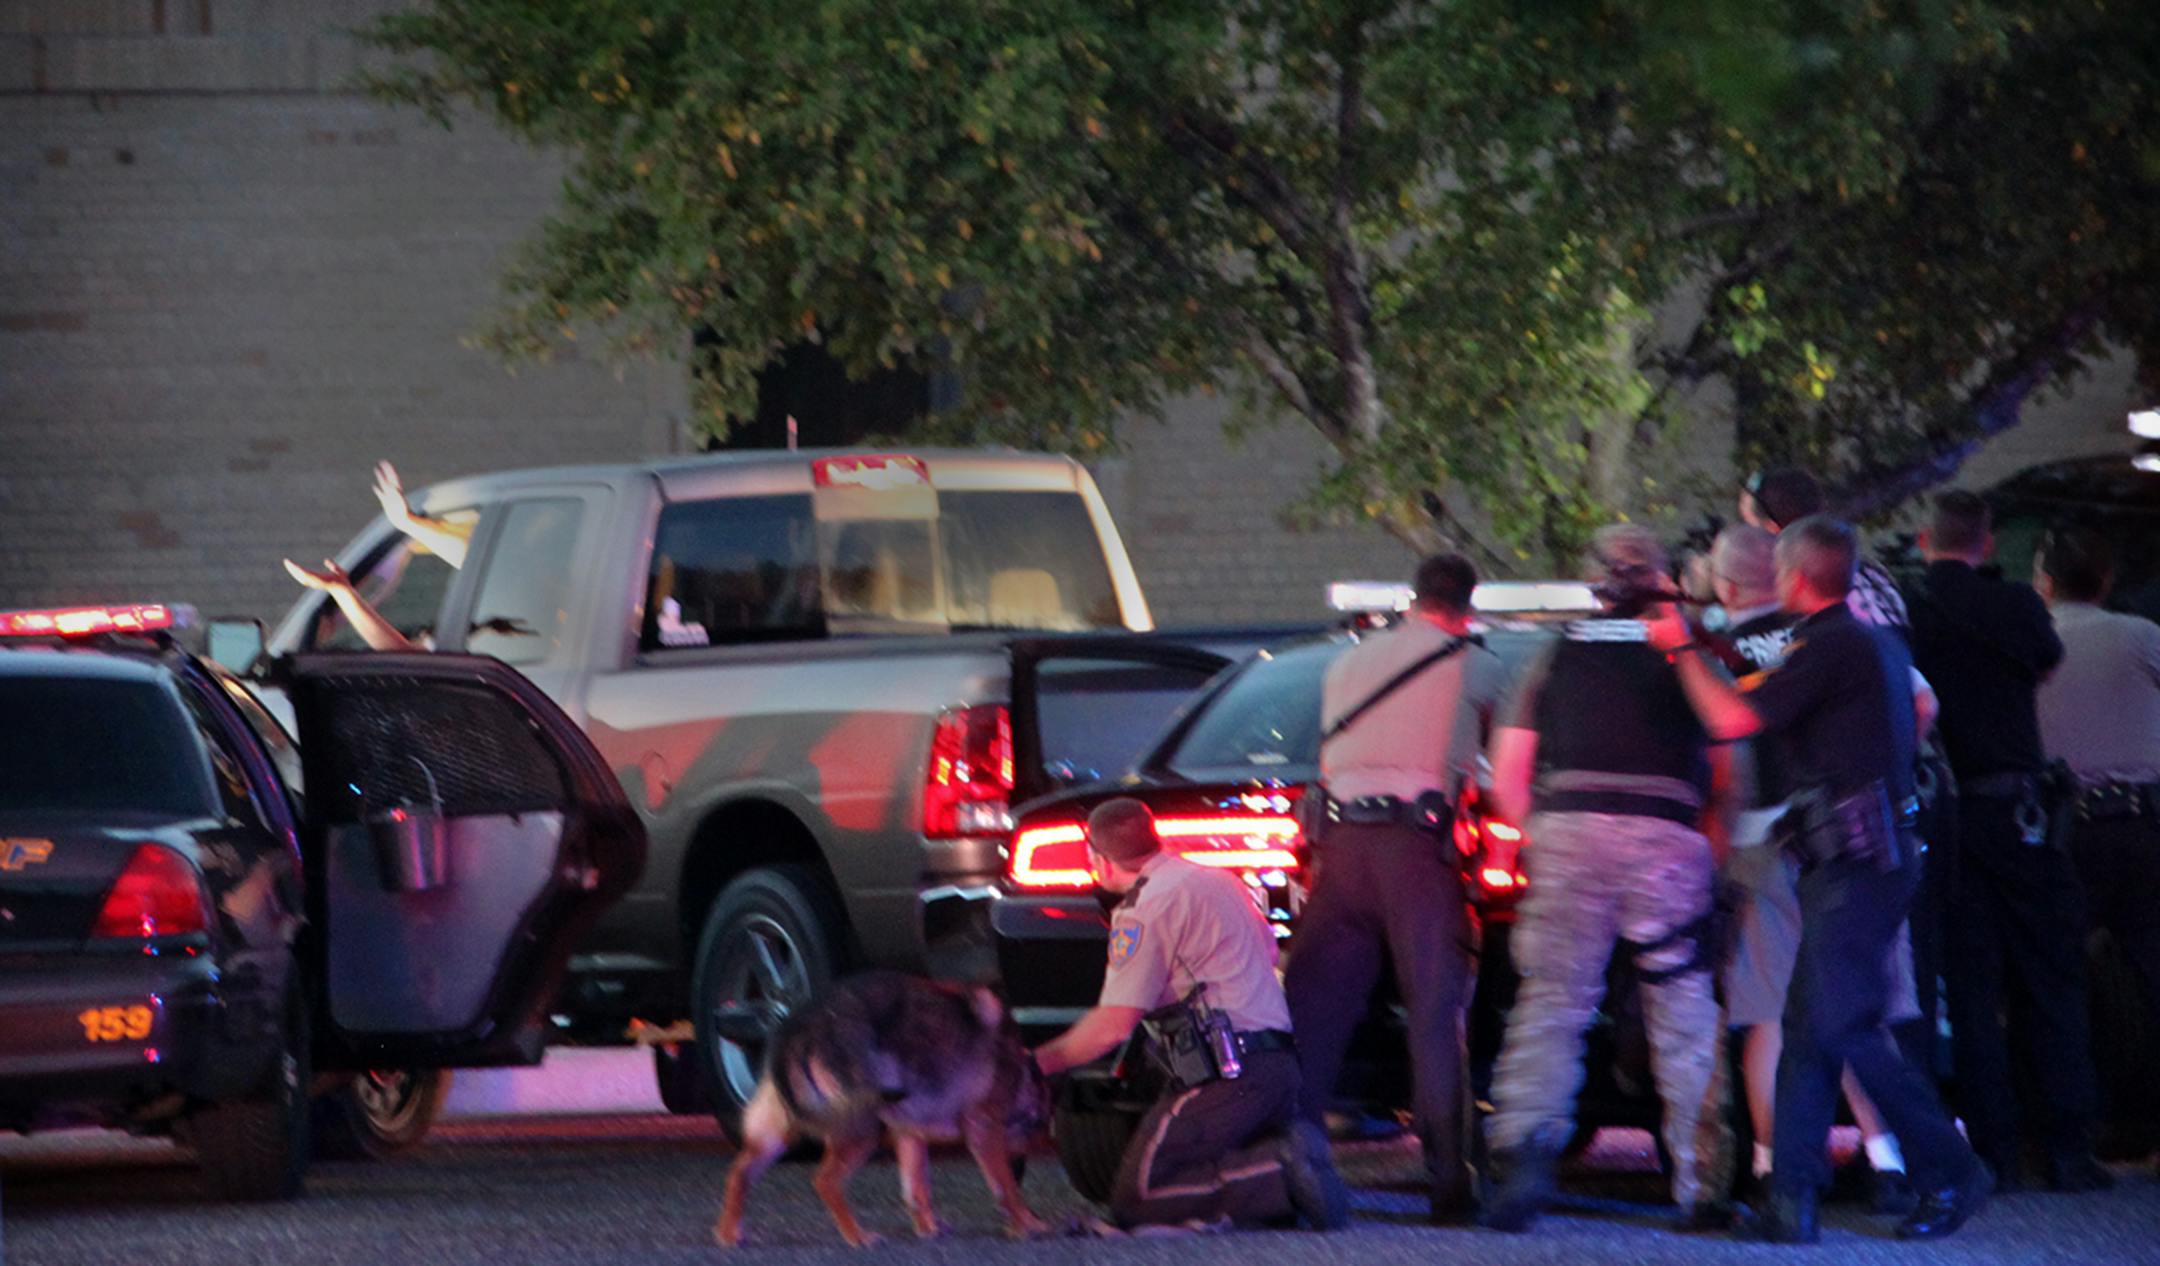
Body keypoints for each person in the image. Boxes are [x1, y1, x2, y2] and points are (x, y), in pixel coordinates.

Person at [1650, 515, 1990, 1242]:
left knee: (1845, 1027)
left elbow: (1734, 720)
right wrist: (1711, 643)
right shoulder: (1853, 641)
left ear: (1795, 575)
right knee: (1815, 1027)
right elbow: (1768, 679)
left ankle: (1954, 1168)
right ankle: (1791, 1205)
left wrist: (1680, 648)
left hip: (1858, 862)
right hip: (1850, 856)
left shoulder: (1831, 645)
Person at [1479, 524, 1733, 1230]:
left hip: (1569, 834)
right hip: (1668, 839)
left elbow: (1508, 779)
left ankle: (1524, 1160)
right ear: (1663, 579)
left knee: (1552, 1005)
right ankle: (1701, 1184)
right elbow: (1726, 771)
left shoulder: (1551, 658)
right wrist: (1706, 849)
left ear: (1593, 584)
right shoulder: (1692, 657)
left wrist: (1545, 832)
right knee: (1684, 1015)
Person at [1284, 553, 1507, 1222]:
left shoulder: (1346, 661)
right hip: (1416, 853)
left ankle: (1288, 1167)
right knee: (1435, 1019)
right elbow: (1502, 766)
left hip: (1339, 851)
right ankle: (1449, 1184)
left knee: (1313, 1016)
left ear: (1414, 599)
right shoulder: (1477, 663)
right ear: (1466, 607)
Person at [1706, 525, 1922, 1215]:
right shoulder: (1853, 636)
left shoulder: (1726, 649)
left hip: (1768, 841)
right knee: (1857, 1005)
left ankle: (1774, 1172)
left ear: (1725, 585)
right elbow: (1923, 701)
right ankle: (1884, 1158)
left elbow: (1726, 740)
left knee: (1773, 1014)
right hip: (1862, 836)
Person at [1906, 491, 2110, 1193]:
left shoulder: (1910, 611)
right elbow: (2045, 663)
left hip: (1953, 819)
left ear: (1927, 538)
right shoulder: (2018, 607)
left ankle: (1991, 1148)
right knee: (2051, 978)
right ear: (1987, 544)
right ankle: (2066, 1146)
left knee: (1970, 987)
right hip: (2023, 817)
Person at [1032, 799, 1351, 1232]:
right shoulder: (1218, 880)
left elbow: (1114, 1024)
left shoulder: (1142, 908)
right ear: (1154, 836)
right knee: (1194, 1163)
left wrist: (1036, 1064)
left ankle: (1279, 1171)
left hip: (1226, 1075)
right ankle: (1273, 1167)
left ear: (1100, 861)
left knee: (1136, 1199)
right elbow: (1270, 951)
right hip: (1279, 1068)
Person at [2035, 525, 2160, 1112]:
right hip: (2144, 824)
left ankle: (2076, 1130)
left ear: (2044, 582)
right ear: (2107, 580)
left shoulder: (2033, 643)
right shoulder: (2140, 636)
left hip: (2066, 830)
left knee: (2061, 981)